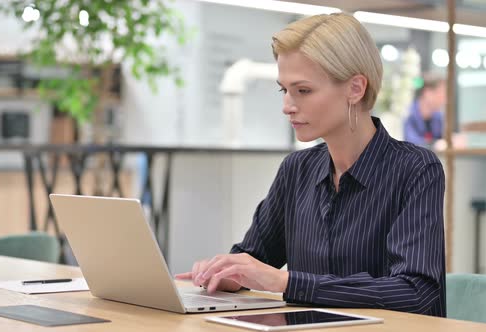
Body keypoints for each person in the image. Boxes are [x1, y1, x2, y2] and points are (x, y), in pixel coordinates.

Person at [176, 13, 446, 317]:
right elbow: (254, 256)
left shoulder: (416, 169)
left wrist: (286, 281)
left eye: (303, 90)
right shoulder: (297, 170)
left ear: (355, 88)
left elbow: (416, 292)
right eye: (284, 90)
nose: (287, 106)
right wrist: (226, 272)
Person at [404, 73, 446, 146]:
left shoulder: (439, 117)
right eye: (441, 93)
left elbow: (443, 139)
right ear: (427, 93)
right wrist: (436, 144)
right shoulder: (409, 116)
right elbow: (412, 144)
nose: (445, 99)